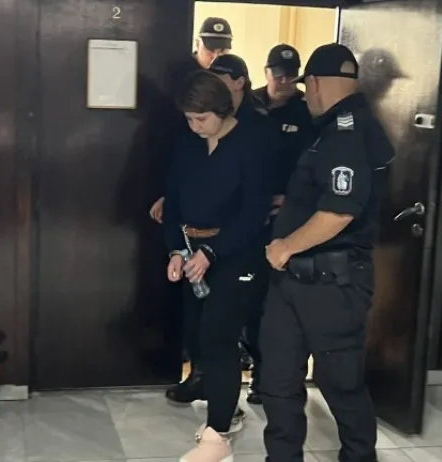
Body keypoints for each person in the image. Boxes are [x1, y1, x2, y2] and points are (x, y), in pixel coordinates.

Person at [259, 43, 395, 462]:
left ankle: (359, 457)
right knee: (278, 382)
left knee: (341, 384)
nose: (305, 96)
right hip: (295, 279)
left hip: (332, 285)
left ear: (315, 83)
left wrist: (285, 246)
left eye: (306, 87)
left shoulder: (347, 132)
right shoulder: (334, 127)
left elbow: (340, 210)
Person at [164, 70, 273, 462]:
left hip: (237, 251)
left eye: (202, 119)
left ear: (223, 110)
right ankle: (227, 408)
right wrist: (176, 250)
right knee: (196, 333)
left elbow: (254, 213)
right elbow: (173, 199)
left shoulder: (252, 144)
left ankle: (218, 434)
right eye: (189, 119)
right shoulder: (187, 143)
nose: (195, 126)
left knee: (219, 334)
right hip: (192, 249)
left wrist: (212, 252)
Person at [242, 44, 317, 405]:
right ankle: (256, 370)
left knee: (284, 304)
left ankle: (280, 380)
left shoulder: (307, 111)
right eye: (279, 74)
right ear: (267, 72)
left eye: (291, 75)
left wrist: (291, 200)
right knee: (251, 300)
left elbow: (314, 166)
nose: (285, 81)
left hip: (289, 221)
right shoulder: (249, 103)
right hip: (248, 218)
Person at [149, 17, 234, 225]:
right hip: (178, 168)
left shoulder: (230, 76)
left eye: (222, 51)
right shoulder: (178, 79)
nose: (216, 56)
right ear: (197, 44)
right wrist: (165, 191)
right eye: (211, 50)